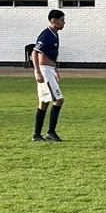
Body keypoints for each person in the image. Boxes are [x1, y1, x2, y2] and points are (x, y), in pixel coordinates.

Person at [31, 9, 66, 142]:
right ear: (53, 21)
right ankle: (51, 132)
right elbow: (34, 52)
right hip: (44, 71)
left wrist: (56, 70)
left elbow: (51, 56)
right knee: (58, 100)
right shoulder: (46, 34)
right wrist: (38, 71)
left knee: (44, 102)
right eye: (62, 20)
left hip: (50, 70)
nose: (64, 23)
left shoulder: (55, 34)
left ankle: (37, 134)